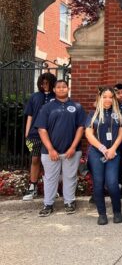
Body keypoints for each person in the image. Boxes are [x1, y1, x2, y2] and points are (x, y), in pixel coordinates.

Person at [35, 80, 86, 217]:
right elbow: (42, 129)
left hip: (71, 151)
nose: (62, 89)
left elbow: (81, 128)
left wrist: (73, 147)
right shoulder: (47, 107)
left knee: (70, 177)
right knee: (50, 178)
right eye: (58, 87)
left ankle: (69, 202)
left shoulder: (77, 106)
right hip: (50, 152)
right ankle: (48, 204)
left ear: (68, 88)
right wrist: (51, 149)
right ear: (54, 89)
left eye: (64, 87)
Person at [85, 87, 122, 225]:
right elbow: (89, 134)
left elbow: (121, 133)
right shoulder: (93, 114)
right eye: (105, 97)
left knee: (113, 183)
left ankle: (117, 212)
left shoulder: (117, 114)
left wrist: (113, 149)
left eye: (110, 97)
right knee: (98, 183)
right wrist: (103, 149)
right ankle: (102, 214)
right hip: (97, 153)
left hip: (113, 153)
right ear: (100, 98)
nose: (108, 99)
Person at [23, 72, 57, 201]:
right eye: (42, 83)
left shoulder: (57, 97)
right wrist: (27, 133)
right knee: (35, 160)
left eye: (47, 83)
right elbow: (30, 115)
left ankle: (51, 188)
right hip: (35, 134)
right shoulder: (35, 97)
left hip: (52, 134)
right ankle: (33, 186)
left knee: (51, 161)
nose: (45, 85)